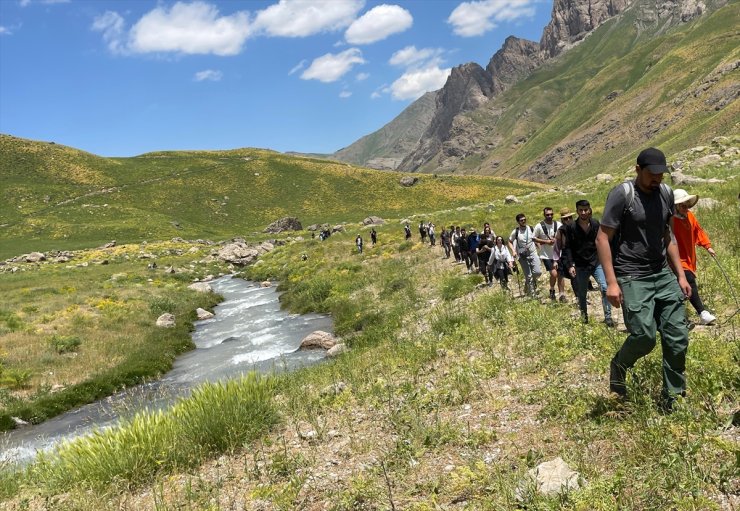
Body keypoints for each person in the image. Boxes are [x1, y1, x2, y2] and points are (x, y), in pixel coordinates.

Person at [596, 147, 691, 410]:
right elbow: (603, 238)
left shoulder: (666, 193)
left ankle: (672, 396)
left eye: (661, 174)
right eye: (652, 174)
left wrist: (680, 275)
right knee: (645, 336)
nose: (657, 179)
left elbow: (667, 236)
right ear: (638, 170)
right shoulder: (622, 194)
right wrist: (612, 282)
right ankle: (619, 365)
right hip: (631, 275)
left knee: (677, 336)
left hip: (662, 273)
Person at [561, 200, 613, 326]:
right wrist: (570, 265)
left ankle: (608, 317)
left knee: (605, 288)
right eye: (581, 210)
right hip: (580, 265)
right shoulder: (571, 227)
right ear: (577, 211)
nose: (584, 212)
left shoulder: (595, 224)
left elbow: (602, 241)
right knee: (582, 294)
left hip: (596, 262)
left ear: (590, 210)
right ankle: (584, 317)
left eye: (586, 209)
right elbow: (567, 247)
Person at [672, 189, 717, 325]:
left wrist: (707, 246)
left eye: (687, 205)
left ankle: (679, 317)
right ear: (676, 206)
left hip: (689, 256)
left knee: (680, 287)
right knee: (688, 279)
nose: (686, 208)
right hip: (675, 258)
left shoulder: (690, 216)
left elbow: (698, 230)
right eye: (683, 206)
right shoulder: (670, 220)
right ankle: (702, 313)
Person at [508, 213, 541, 296]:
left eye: (524, 219)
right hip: (522, 256)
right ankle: (532, 294)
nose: (523, 221)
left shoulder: (531, 228)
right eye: (521, 220)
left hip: (533, 253)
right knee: (528, 275)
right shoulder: (516, 232)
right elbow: (510, 241)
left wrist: (540, 248)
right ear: (518, 222)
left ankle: (528, 283)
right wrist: (513, 251)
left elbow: (535, 239)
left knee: (537, 272)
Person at [533, 207, 561, 301]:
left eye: (551, 214)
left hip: (557, 253)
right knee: (554, 274)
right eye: (547, 214)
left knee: (559, 274)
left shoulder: (558, 224)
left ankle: (561, 293)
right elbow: (534, 238)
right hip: (546, 255)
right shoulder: (539, 226)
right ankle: (552, 289)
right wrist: (546, 241)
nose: (550, 216)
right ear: (544, 215)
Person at [552, 207, 576, 302]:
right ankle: (562, 294)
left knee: (575, 276)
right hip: (564, 255)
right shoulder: (561, 231)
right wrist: (555, 260)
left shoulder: (576, 227)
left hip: (576, 254)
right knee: (561, 275)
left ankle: (579, 296)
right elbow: (556, 246)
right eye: (565, 218)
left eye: (570, 217)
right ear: (562, 220)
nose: (568, 220)